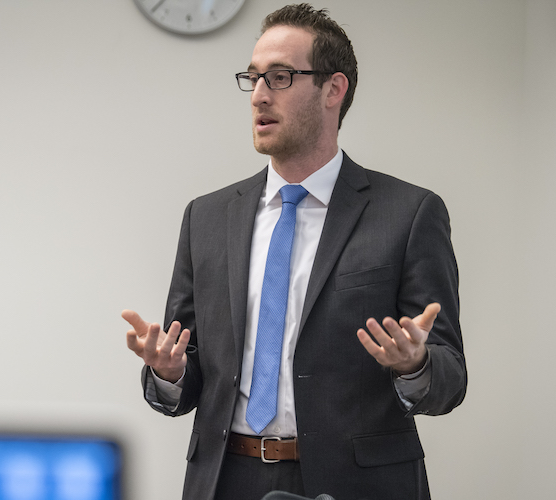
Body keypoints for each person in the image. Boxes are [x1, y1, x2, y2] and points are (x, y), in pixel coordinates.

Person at [123, 4, 466, 500]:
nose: (259, 95)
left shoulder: (409, 214)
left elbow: (450, 376)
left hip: (357, 485)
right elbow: (188, 369)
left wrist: (414, 365)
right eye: (253, 77)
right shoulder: (206, 217)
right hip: (224, 479)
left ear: (333, 89)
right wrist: (170, 372)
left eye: (280, 77)